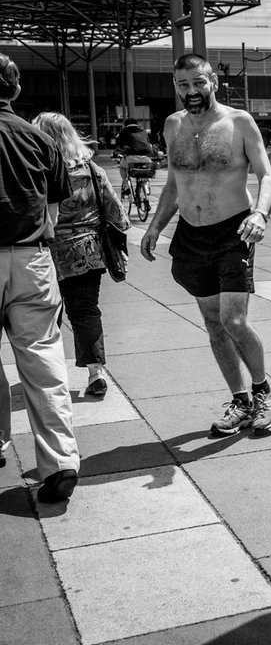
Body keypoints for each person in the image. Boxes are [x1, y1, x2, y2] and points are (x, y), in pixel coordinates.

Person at [140, 53, 271, 436]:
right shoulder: (172, 127)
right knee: (214, 325)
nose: (192, 91)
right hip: (191, 234)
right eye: (183, 85)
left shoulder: (239, 122)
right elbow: (173, 185)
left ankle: (263, 391)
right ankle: (240, 400)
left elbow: (267, 175)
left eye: (199, 82)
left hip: (234, 231)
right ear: (175, 86)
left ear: (212, 80)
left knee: (234, 320)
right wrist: (154, 228)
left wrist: (260, 215)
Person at [0, 52, 81, 501]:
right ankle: (61, 462)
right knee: (44, 359)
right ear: (14, 89)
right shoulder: (39, 139)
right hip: (32, 258)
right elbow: (51, 213)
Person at [32, 111, 131, 399]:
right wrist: (122, 244)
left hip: (47, 252)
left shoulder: (38, 170)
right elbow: (114, 209)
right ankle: (95, 372)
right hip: (87, 252)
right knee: (86, 311)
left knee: (44, 315)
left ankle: (47, 374)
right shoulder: (89, 169)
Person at [114, 117, 157, 196]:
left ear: (125, 124)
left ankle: (126, 185)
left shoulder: (123, 132)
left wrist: (116, 154)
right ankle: (145, 184)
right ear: (136, 124)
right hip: (146, 158)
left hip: (131, 158)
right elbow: (148, 143)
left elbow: (119, 146)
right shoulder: (143, 132)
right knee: (144, 169)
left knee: (122, 167)